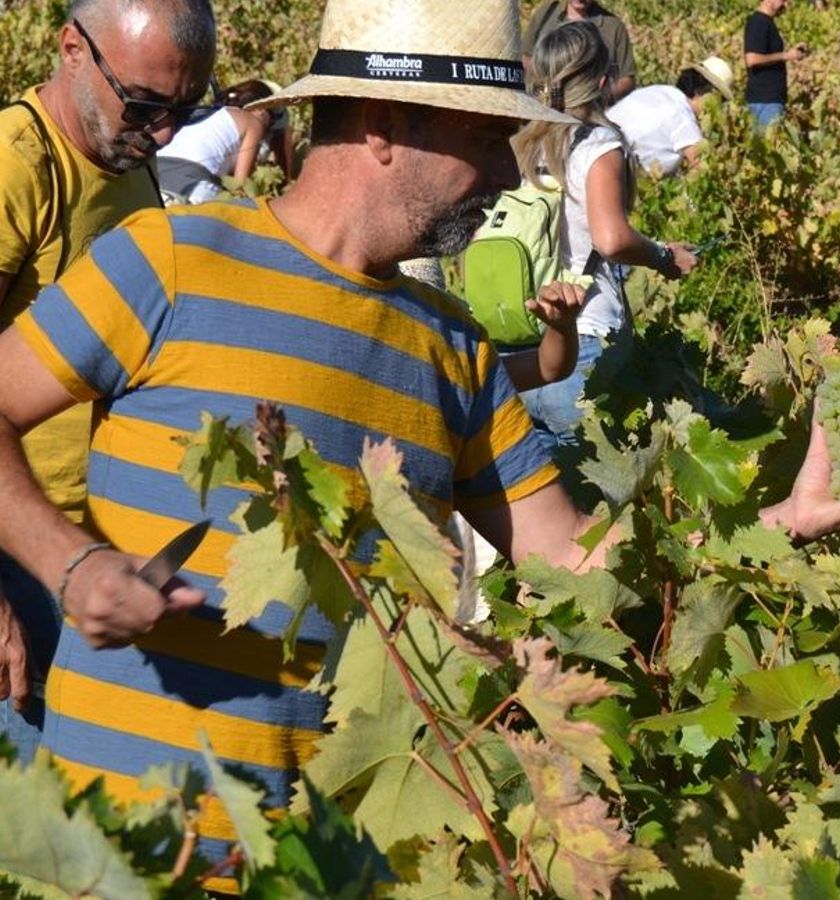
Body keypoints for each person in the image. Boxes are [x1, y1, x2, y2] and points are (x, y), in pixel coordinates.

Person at [0, 0, 754, 885]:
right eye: (486, 140)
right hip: (114, 862)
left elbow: (571, 556)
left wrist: (782, 525)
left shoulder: (455, 347)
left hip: (323, 868)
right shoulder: (165, 260)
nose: (505, 174)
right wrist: (68, 563)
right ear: (385, 126)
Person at [0, 0, 216, 765]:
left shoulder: (132, 162)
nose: (165, 134)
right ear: (72, 49)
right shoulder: (18, 165)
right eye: (145, 105)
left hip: (91, 557)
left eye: (186, 110)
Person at [517, 21, 698, 451]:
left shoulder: (522, 142)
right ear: (602, 81)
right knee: (601, 486)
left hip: (521, 352)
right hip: (581, 343)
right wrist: (662, 256)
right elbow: (611, 239)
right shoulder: (596, 143)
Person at [155, 78, 286, 203]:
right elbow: (240, 185)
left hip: (157, 172)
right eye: (272, 120)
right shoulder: (254, 123)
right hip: (195, 183)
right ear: (262, 110)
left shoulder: (211, 112)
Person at [607, 56, 734, 178]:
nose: (719, 108)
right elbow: (703, 169)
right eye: (719, 101)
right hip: (613, 172)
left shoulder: (659, 90)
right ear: (702, 92)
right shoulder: (683, 118)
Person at [522, 0, 636, 100]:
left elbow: (627, 80)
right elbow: (525, 57)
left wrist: (600, 97)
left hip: (590, 111)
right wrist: (546, 83)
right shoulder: (546, 14)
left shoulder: (613, 27)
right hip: (543, 105)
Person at [745, 0, 807, 129]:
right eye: (783, 0)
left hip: (770, 100)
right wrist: (786, 55)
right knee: (769, 140)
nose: (786, 4)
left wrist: (792, 53)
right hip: (765, 101)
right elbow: (752, 59)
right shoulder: (759, 22)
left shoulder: (767, 22)